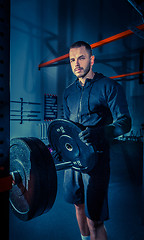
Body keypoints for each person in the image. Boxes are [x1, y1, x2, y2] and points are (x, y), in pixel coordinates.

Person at [62, 41, 131, 240]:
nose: (76, 63)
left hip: (97, 161)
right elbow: (66, 126)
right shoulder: (68, 92)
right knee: (78, 205)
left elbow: (125, 122)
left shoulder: (109, 86)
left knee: (95, 219)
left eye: (81, 58)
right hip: (73, 161)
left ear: (92, 60)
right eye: (72, 60)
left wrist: (100, 132)